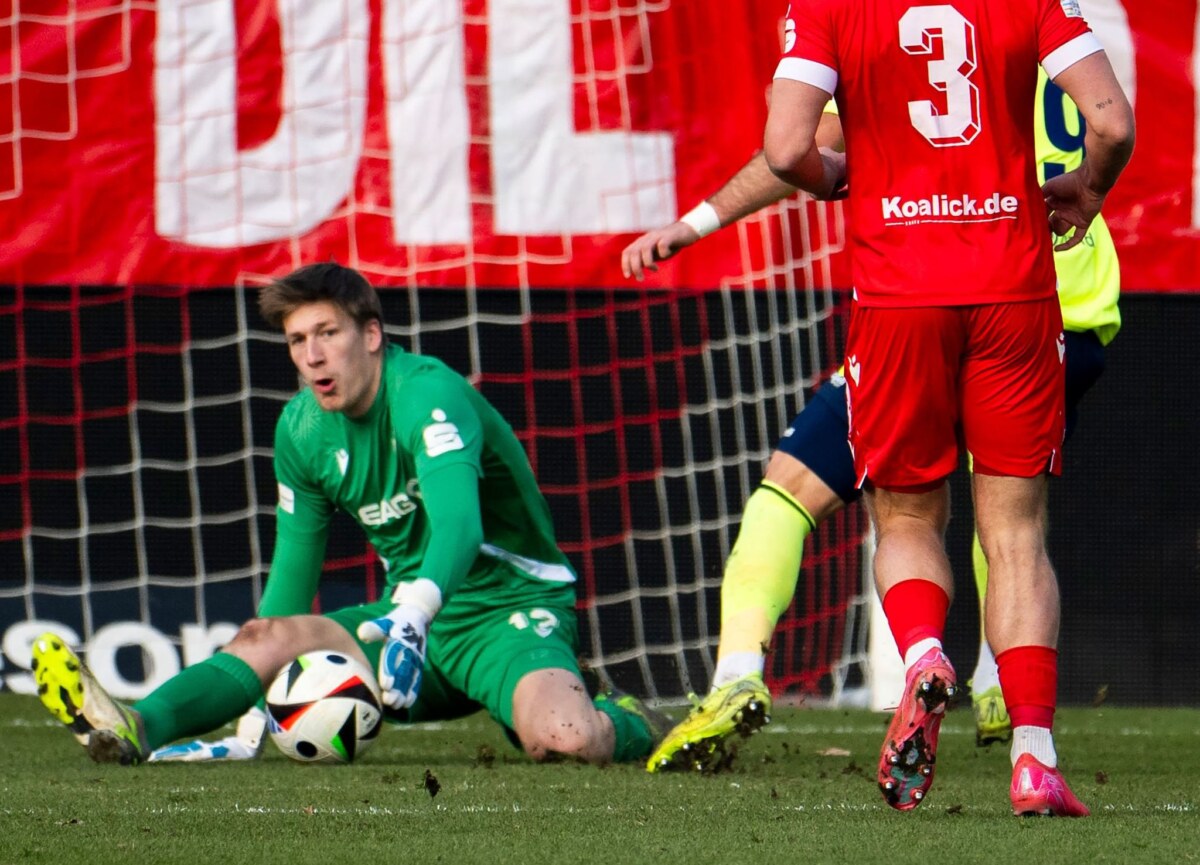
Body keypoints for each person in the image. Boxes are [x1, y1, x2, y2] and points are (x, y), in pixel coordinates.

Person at [626, 63, 1121, 773]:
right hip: (1065, 308)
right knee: (1010, 510)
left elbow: (797, 149)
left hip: (946, 294)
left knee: (800, 488)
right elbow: (1111, 122)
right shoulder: (1040, 23)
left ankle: (740, 671)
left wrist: (697, 220)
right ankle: (999, 691)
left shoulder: (889, 30)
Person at [33, 263, 666, 767]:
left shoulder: (426, 393)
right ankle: (136, 728)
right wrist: (257, 716)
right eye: (297, 340)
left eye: (327, 334)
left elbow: (460, 528)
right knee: (266, 636)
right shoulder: (302, 429)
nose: (311, 356)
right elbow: (290, 583)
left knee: (566, 740)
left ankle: (633, 721)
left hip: (503, 612)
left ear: (370, 335)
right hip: (401, 634)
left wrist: (416, 614)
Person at [760, 0, 1132, 817]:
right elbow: (1110, 122)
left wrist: (837, 178)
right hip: (1013, 287)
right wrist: (1088, 191)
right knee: (1016, 533)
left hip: (898, 293)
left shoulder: (826, 7)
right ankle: (1034, 758)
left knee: (904, 520)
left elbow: (787, 149)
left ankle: (926, 654)